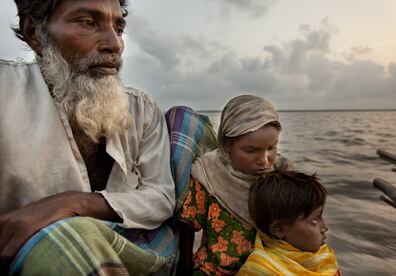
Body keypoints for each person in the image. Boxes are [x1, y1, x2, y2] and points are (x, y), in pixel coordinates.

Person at [0, 0, 176, 274]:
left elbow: (161, 197)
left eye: (118, 28)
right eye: (88, 23)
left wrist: (73, 203)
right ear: (34, 32)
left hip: (130, 250)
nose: (114, 44)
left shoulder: (142, 109)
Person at [177, 95, 294, 275]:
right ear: (227, 145)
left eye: (272, 148)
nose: (264, 161)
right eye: (251, 150)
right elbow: (188, 224)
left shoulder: (284, 174)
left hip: (268, 269)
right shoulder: (209, 173)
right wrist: (184, 268)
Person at [238, 170, 340, 276]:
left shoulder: (322, 257)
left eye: (321, 217)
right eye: (314, 219)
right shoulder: (258, 271)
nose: (325, 228)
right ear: (279, 229)